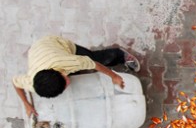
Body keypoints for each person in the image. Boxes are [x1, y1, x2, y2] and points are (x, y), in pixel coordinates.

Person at [13, 35, 141, 117]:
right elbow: (15, 83)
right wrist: (26, 104)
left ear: (59, 72)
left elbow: (95, 65)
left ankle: (120, 55)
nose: (68, 83)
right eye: (64, 87)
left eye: (65, 81)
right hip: (38, 52)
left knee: (97, 58)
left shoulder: (71, 62)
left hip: (56, 44)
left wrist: (113, 76)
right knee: (75, 73)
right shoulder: (31, 83)